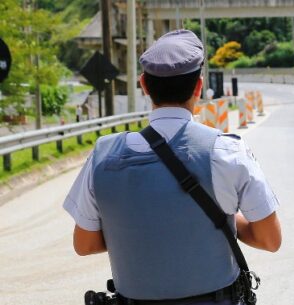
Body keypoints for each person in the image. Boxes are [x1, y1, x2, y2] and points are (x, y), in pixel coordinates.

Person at [63, 30, 282, 304]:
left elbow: (84, 244)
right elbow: (269, 239)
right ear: (198, 87)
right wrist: (217, 220)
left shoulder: (103, 156)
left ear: (143, 84)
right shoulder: (227, 151)